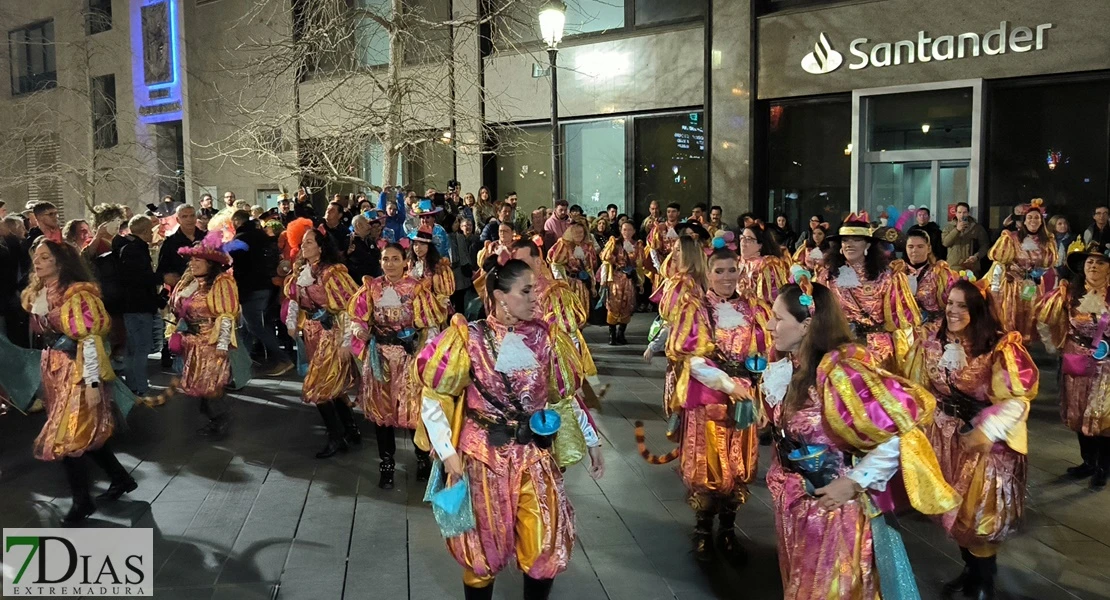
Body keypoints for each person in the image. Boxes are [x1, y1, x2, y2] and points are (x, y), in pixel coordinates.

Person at [414, 257, 604, 600]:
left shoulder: (547, 338)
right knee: (483, 550)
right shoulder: (467, 339)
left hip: (533, 456)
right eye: (527, 291)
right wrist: (448, 453)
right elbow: (434, 397)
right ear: (501, 297)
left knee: (544, 542)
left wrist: (592, 440)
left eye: (536, 290)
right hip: (482, 458)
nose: (536, 298)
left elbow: (564, 396)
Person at [763, 278, 959, 599]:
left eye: (778, 317)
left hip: (834, 513)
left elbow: (902, 430)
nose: (770, 325)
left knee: (836, 590)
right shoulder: (791, 368)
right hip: (797, 506)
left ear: (806, 325)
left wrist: (854, 481)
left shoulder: (842, 372)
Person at [903, 280, 1038, 599]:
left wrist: (987, 430)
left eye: (962, 305)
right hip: (946, 438)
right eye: (950, 303)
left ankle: (984, 580)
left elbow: (1019, 397)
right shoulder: (932, 340)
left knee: (981, 515)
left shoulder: (1001, 346)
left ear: (978, 309)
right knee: (957, 513)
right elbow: (917, 385)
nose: (952, 310)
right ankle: (969, 569)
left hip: (988, 446)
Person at [639, 247, 772, 561]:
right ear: (709, 274)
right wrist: (727, 385)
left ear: (740, 272)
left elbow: (768, 356)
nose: (726, 277)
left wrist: (761, 398)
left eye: (731, 270)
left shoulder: (754, 309)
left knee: (740, 467)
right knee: (707, 469)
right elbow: (693, 359)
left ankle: (728, 531)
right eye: (719, 271)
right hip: (709, 400)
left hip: (745, 400)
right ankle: (702, 532)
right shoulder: (696, 309)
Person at [20, 240, 140, 523]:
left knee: (67, 436)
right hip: (55, 370)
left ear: (60, 263)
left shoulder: (78, 296)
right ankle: (120, 478)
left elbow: (89, 340)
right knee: (82, 432)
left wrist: (93, 384)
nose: (37, 263)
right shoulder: (41, 293)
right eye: (35, 257)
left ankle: (82, 502)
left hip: (78, 371)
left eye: (45, 257)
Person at [349, 243, 441, 488]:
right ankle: (386, 463)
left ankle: (422, 457)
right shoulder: (372, 288)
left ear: (404, 262)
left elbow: (430, 325)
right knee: (382, 412)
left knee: (413, 408)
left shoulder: (416, 288)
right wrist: (359, 330)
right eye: (385, 259)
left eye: (395, 258)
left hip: (408, 358)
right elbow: (357, 317)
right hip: (379, 357)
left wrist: (424, 351)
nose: (389, 263)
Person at [1038, 240, 1110, 488]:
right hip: (1077, 358)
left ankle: (1103, 466)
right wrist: (1057, 346)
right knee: (1079, 411)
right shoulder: (1069, 293)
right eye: (1090, 262)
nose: (1094, 266)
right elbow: (1048, 321)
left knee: (1102, 414)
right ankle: (1088, 462)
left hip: (1107, 363)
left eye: (1100, 263)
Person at [283, 228, 360, 458]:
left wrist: (347, 341)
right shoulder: (301, 271)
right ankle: (349, 429)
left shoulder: (332, 273)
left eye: (309, 242)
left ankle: (336, 436)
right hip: (312, 334)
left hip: (332, 333)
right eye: (303, 242)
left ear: (320, 246)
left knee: (318, 386)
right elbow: (295, 299)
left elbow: (348, 307)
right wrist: (290, 322)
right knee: (330, 385)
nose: (304, 246)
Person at [816, 212, 920, 369]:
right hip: (838, 348)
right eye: (845, 240)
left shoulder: (886, 277)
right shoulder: (826, 276)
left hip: (876, 352)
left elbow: (902, 321)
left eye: (857, 240)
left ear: (868, 245)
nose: (849, 244)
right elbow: (816, 311)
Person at [171, 232, 242, 436]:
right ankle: (215, 419)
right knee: (201, 386)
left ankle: (221, 419)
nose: (192, 263)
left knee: (211, 385)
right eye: (191, 259)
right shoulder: (190, 283)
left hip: (211, 342)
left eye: (198, 260)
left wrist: (222, 345)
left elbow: (227, 314)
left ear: (210, 263)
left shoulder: (222, 283)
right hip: (193, 343)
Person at [229, 210, 292, 376]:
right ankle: (241, 365)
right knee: (245, 327)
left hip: (250, 288)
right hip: (266, 285)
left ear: (236, 221)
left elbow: (230, 258)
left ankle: (283, 359)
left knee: (254, 325)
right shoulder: (262, 237)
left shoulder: (241, 239)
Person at [985, 198, 1056, 343]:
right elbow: (999, 263)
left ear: (1041, 221)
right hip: (1012, 286)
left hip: (1031, 286)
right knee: (1010, 317)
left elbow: (1047, 264)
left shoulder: (1047, 241)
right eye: (1029, 217)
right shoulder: (1011, 238)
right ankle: (1009, 349)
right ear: (1024, 221)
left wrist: (1035, 275)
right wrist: (995, 286)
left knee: (1028, 318)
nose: (1033, 220)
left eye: (1036, 217)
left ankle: (1025, 349)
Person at [117, 215, 164, 396]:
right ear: (145, 232)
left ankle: (133, 385)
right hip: (139, 307)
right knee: (141, 349)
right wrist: (161, 278)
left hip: (131, 307)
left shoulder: (127, 249)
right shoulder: (136, 251)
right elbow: (141, 279)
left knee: (132, 349)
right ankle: (141, 387)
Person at [598, 221, 644, 345]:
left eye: (629, 230)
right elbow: (604, 257)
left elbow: (640, 264)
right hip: (616, 278)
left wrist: (640, 282)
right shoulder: (615, 243)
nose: (627, 232)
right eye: (624, 229)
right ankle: (611, 334)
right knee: (613, 304)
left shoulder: (638, 245)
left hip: (629, 279)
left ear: (634, 231)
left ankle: (621, 333)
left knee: (627, 304)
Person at [904, 229, 958, 325]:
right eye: (910, 246)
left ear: (929, 248)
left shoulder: (941, 274)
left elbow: (953, 304)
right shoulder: (898, 274)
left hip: (934, 329)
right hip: (904, 330)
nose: (914, 250)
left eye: (920, 246)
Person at [408, 225, 455, 332]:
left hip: (434, 313)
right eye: (415, 244)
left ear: (429, 246)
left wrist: (437, 309)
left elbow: (444, 294)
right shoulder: (410, 264)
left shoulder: (439, 266)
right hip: (413, 312)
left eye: (422, 244)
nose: (417, 247)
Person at [547, 220, 597, 318]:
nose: (578, 235)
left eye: (581, 232)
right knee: (567, 312)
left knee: (582, 311)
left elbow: (589, 268)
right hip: (568, 283)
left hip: (582, 284)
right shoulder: (563, 246)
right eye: (575, 232)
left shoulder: (587, 247)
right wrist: (561, 283)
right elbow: (555, 263)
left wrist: (592, 286)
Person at [737, 223, 789, 304]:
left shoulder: (768, 264)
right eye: (742, 238)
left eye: (748, 239)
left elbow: (770, 298)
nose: (743, 243)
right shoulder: (737, 261)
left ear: (760, 245)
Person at [156, 204, 201, 290]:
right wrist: (166, 277)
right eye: (184, 216)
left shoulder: (207, 237)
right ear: (178, 220)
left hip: (207, 287)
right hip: (182, 289)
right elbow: (161, 271)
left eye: (192, 216)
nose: (189, 219)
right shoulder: (170, 243)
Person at [942, 202, 990, 275]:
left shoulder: (977, 228)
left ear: (968, 213)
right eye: (959, 212)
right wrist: (957, 230)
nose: (962, 215)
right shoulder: (948, 227)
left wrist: (976, 256)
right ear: (956, 213)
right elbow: (945, 243)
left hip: (972, 267)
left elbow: (985, 245)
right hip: (954, 267)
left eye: (964, 212)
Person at [449, 216, 481, 315]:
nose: (467, 228)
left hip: (463, 274)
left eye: (470, 225)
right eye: (464, 225)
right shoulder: (456, 237)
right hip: (460, 274)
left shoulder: (476, 239)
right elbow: (463, 257)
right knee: (459, 302)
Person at [346, 212, 384, 283]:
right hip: (359, 282)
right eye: (367, 224)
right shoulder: (349, 241)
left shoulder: (369, 240)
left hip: (375, 280)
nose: (370, 227)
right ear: (359, 225)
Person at [1047, 215, 1076, 289]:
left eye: (1065, 223)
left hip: (1068, 273)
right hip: (1051, 272)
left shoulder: (1074, 239)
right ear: (1053, 226)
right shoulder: (1048, 240)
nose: (1063, 225)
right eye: (1059, 224)